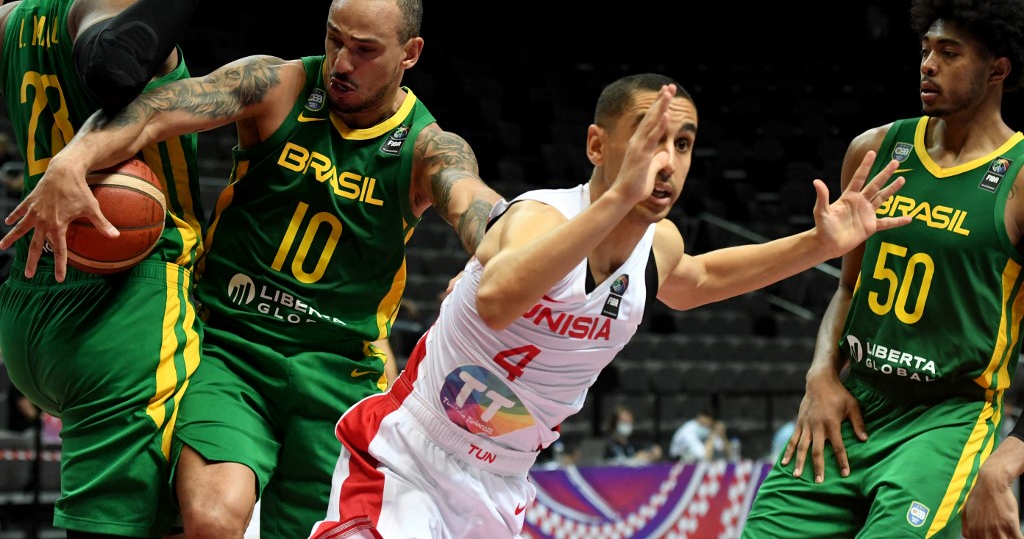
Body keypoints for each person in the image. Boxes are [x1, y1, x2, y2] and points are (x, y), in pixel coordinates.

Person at [0, 0, 502, 538]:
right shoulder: (278, 85)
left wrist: (498, 249)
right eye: (335, 38)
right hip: (234, 347)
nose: (341, 63)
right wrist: (74, 157)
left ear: (410, 53)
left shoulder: (428, 146)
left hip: (338, 370)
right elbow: (155, 109)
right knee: (213, 517)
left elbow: (473, 201)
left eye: (365, 50)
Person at [302, 73, 911, 538]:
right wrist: (619, 198)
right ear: (597, 144)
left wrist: (818, 244)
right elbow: (494, 300)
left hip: (502, 480)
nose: (667, 162)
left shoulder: (659, 246)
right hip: (408, 457)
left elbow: (700, 279)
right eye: (651, 140)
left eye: (683, 143)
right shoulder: (540, 217)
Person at [0, 0, 249, 537]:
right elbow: (114, 66)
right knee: (118, 522)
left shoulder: (17, 19)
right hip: (125, 297)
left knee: (175, 506)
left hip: (32, 309)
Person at [741, 0, 1024, 538]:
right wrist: (820, 373)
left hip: (947, 417)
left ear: (997, 69)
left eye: (950, 52)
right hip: (854, 400)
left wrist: (1008, 458)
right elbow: (847, 288)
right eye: (925, 50)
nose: (928, 64)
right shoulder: (875, 150)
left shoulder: (1019, 181)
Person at [669, 407, 733, 463]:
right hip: (678, 466)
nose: (710, 423)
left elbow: (729, 454)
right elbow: (704, 457)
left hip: (697, 466)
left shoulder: (707, 429)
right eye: (708, 419)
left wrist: (723, 436)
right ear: (700, 417)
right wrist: (714, 434)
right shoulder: (687, 430)